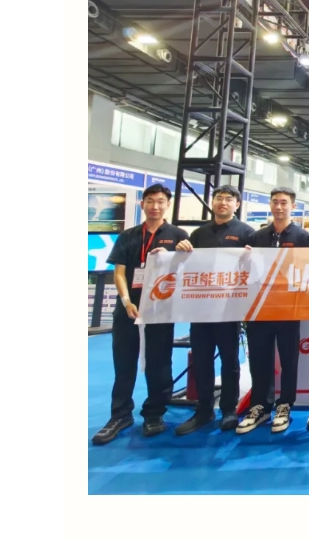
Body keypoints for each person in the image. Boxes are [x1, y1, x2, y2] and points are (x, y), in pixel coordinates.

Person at [93, 184, 190, 445]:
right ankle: (120, 415)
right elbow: (119, 272)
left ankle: (154, 413)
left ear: (167, 205)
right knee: (124, 363)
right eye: (150, 201)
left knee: (159, 364)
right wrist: (126, 301)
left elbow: (187, 272)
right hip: (129, 309)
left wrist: (182, 255)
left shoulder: (179, 236)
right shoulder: (128, 236)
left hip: (161, 310)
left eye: (160, 201)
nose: (155, 206)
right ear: (142, 204)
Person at [165, 184, 257, 436]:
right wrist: (178, 252)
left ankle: (228, 409)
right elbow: (185, 267)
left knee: (230, 361)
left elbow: (255, 270)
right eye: (219, 198)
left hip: (229, 309)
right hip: (201, 308)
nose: (223, 202)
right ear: (213, 201)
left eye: (228, 199)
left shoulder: (246, 233)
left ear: (237, 204)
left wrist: (253, 256)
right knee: (202, 359)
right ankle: (204, 409)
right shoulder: (199, 234)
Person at [237, 187, 309, 435]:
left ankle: (285, 405)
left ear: (293, 206)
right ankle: (260, 405)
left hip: (289, 308)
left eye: (284, 202)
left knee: (289, 359)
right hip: (259, 308)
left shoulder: (303, 237)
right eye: (275, 202)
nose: (279, 207)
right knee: (259, 358)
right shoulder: (256, 237)